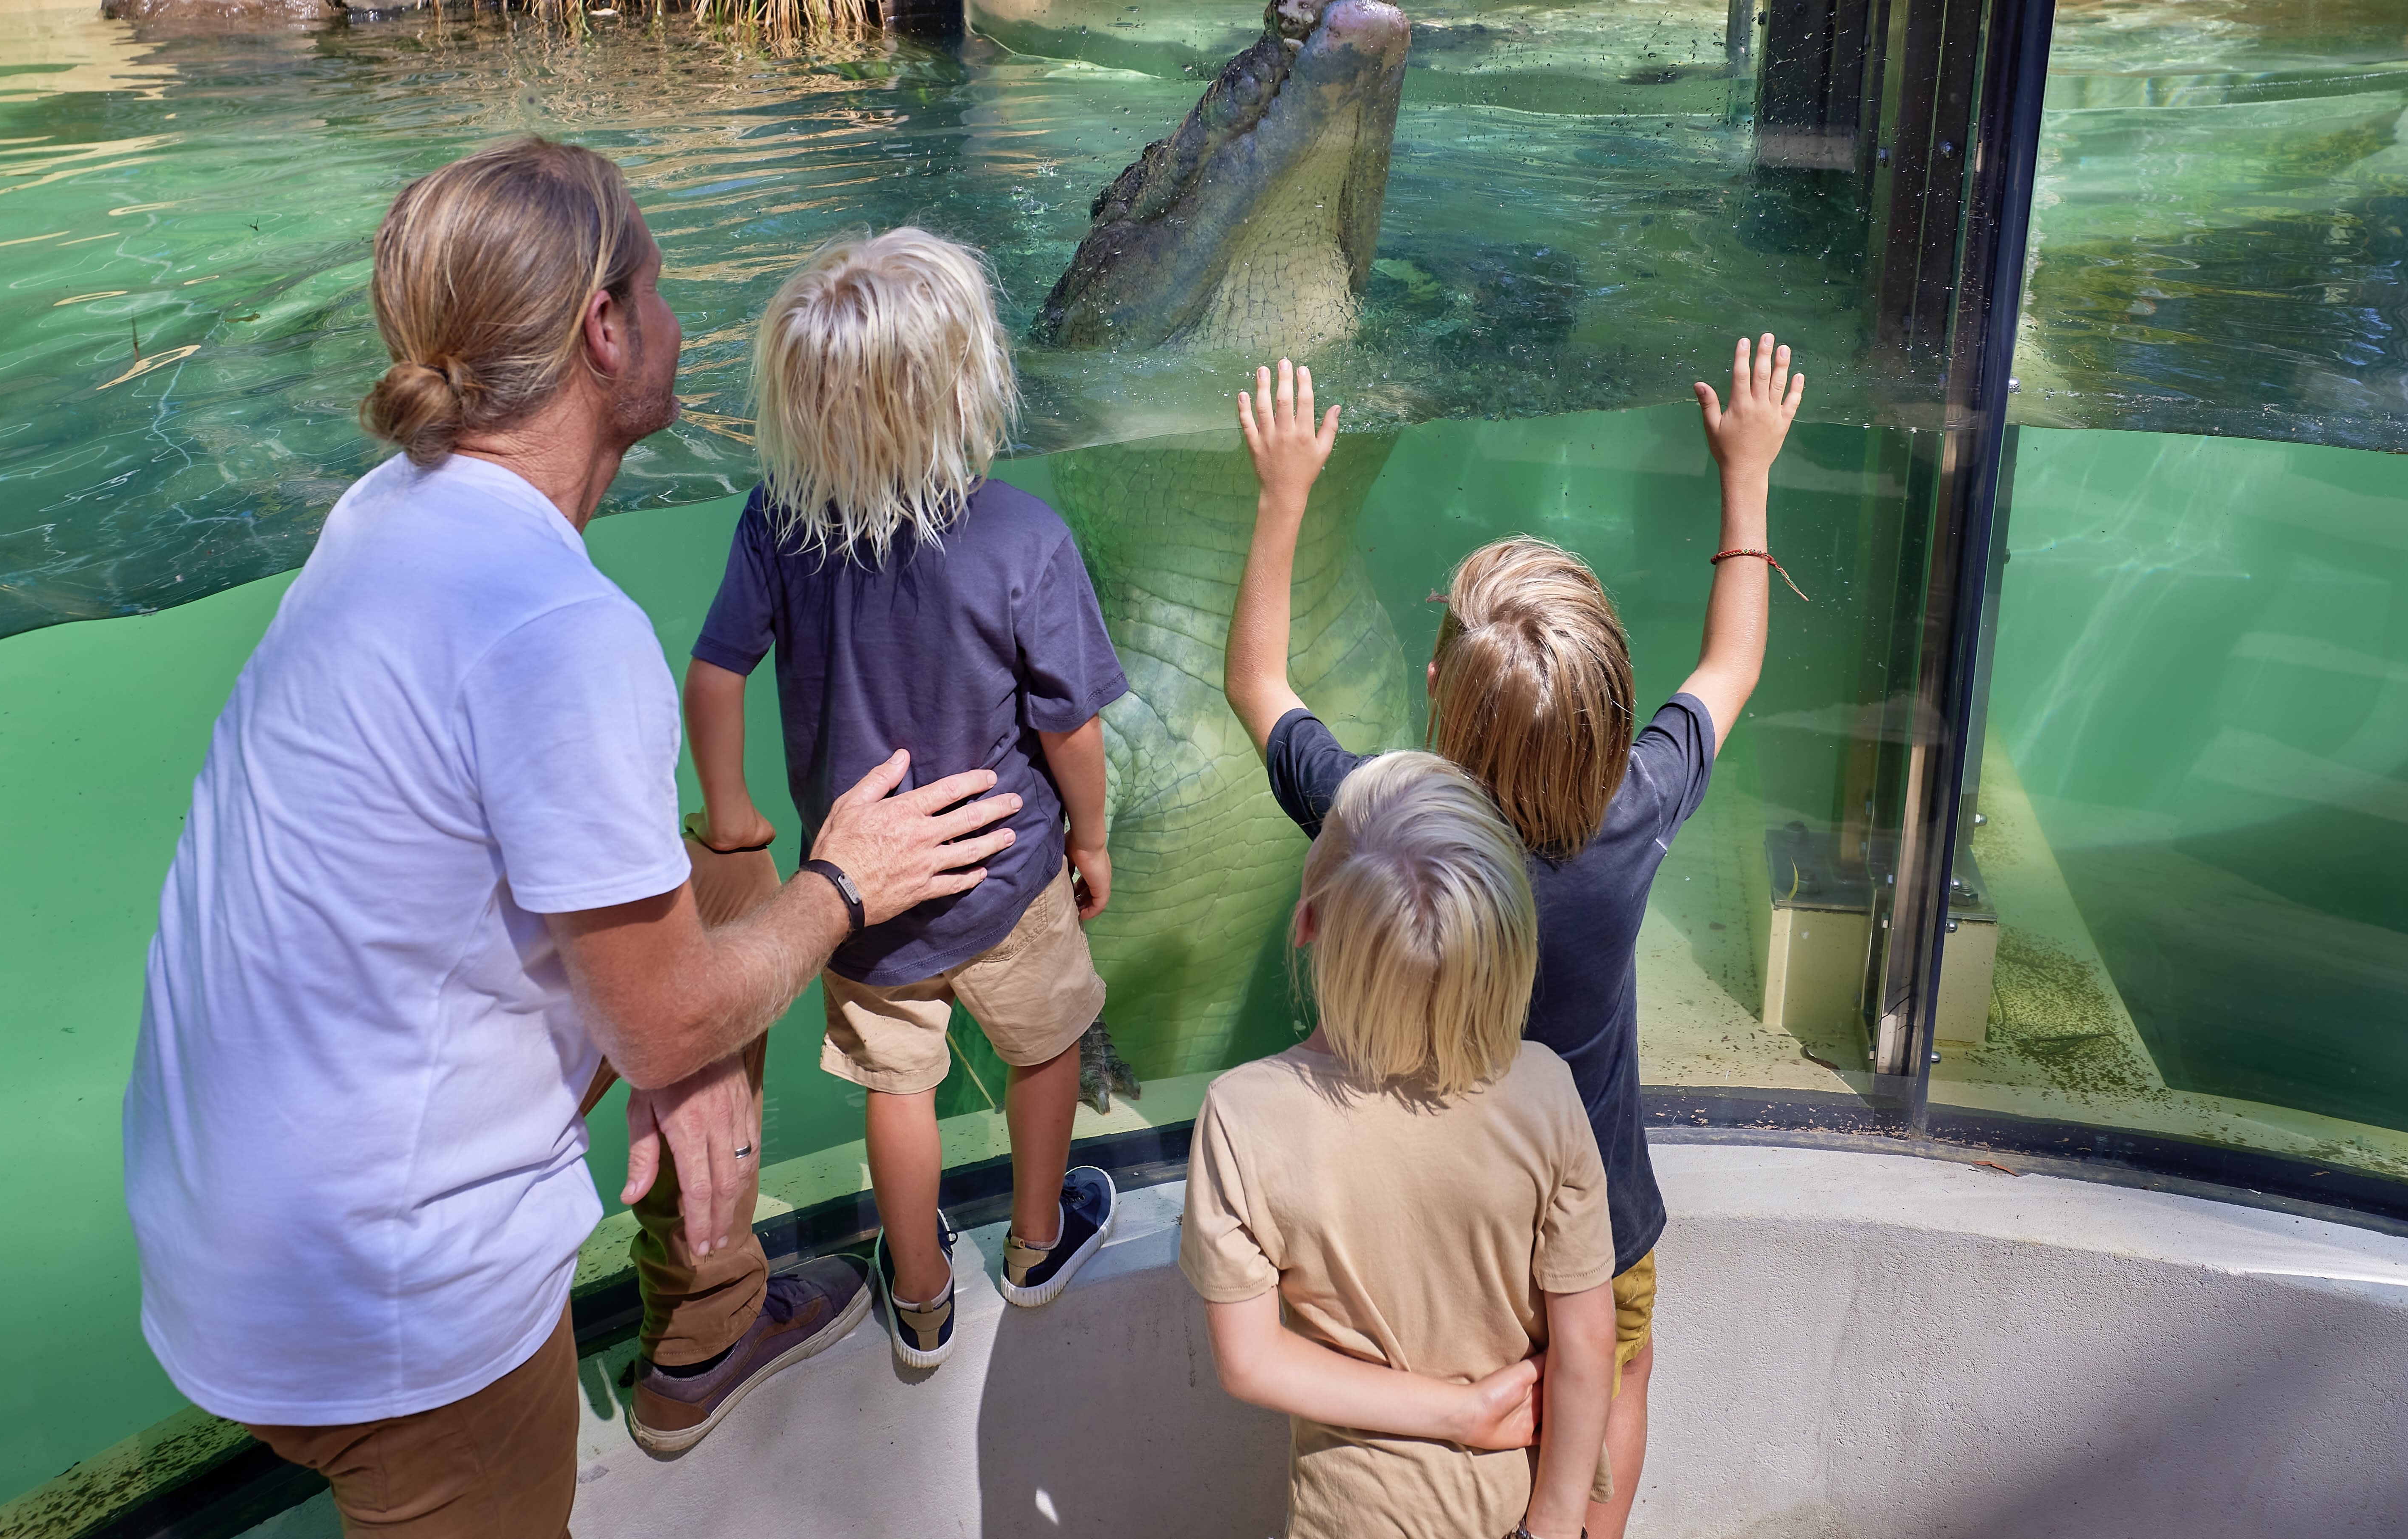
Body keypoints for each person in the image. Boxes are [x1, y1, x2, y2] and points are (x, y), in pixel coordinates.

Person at [123, 139, 1029, 1535]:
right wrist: (845, 881)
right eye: (658, 291)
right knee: (729, 945)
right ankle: (706, 1310)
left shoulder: (388, 513)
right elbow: (665, 1014)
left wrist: (675, 1032)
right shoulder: (555, 628)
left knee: (689, 913)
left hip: (226, 1237)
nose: (678, 326)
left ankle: (709, 1312)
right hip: (395, 1319)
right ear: (605, 330)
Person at [1223, 338, 1804, 1539]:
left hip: (1438, 1224)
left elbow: (1257, 682)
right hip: (1595, 1201)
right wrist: (1745, 473)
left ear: (1437, 688)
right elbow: (1733, 659)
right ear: (1615, 712)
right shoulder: (1635, 808)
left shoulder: (1382, 824)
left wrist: (1284, 495)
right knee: (1618, 1376)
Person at [684, 228, 1129, 1372]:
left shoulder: (778, 521)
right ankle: (1036, 1245)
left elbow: (717, 671)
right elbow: (1071, 727)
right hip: (1008, 874)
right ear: (970, 381)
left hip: (860, 895)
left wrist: (733, 813)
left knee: (899, 1085)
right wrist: (1091, 835)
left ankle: (921, 1297)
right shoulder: (1024, 535)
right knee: (1048, 1047)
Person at [1184, 750, 1613, 1539]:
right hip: (1516, 1501)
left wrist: (1460, 1413)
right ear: (1506, 944)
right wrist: (1549, 1527)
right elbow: (1588, 1338)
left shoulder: (1240, 1116)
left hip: (1355, 1515)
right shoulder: (1546, 1090)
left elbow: (1249, 1359)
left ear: (1308, 921)